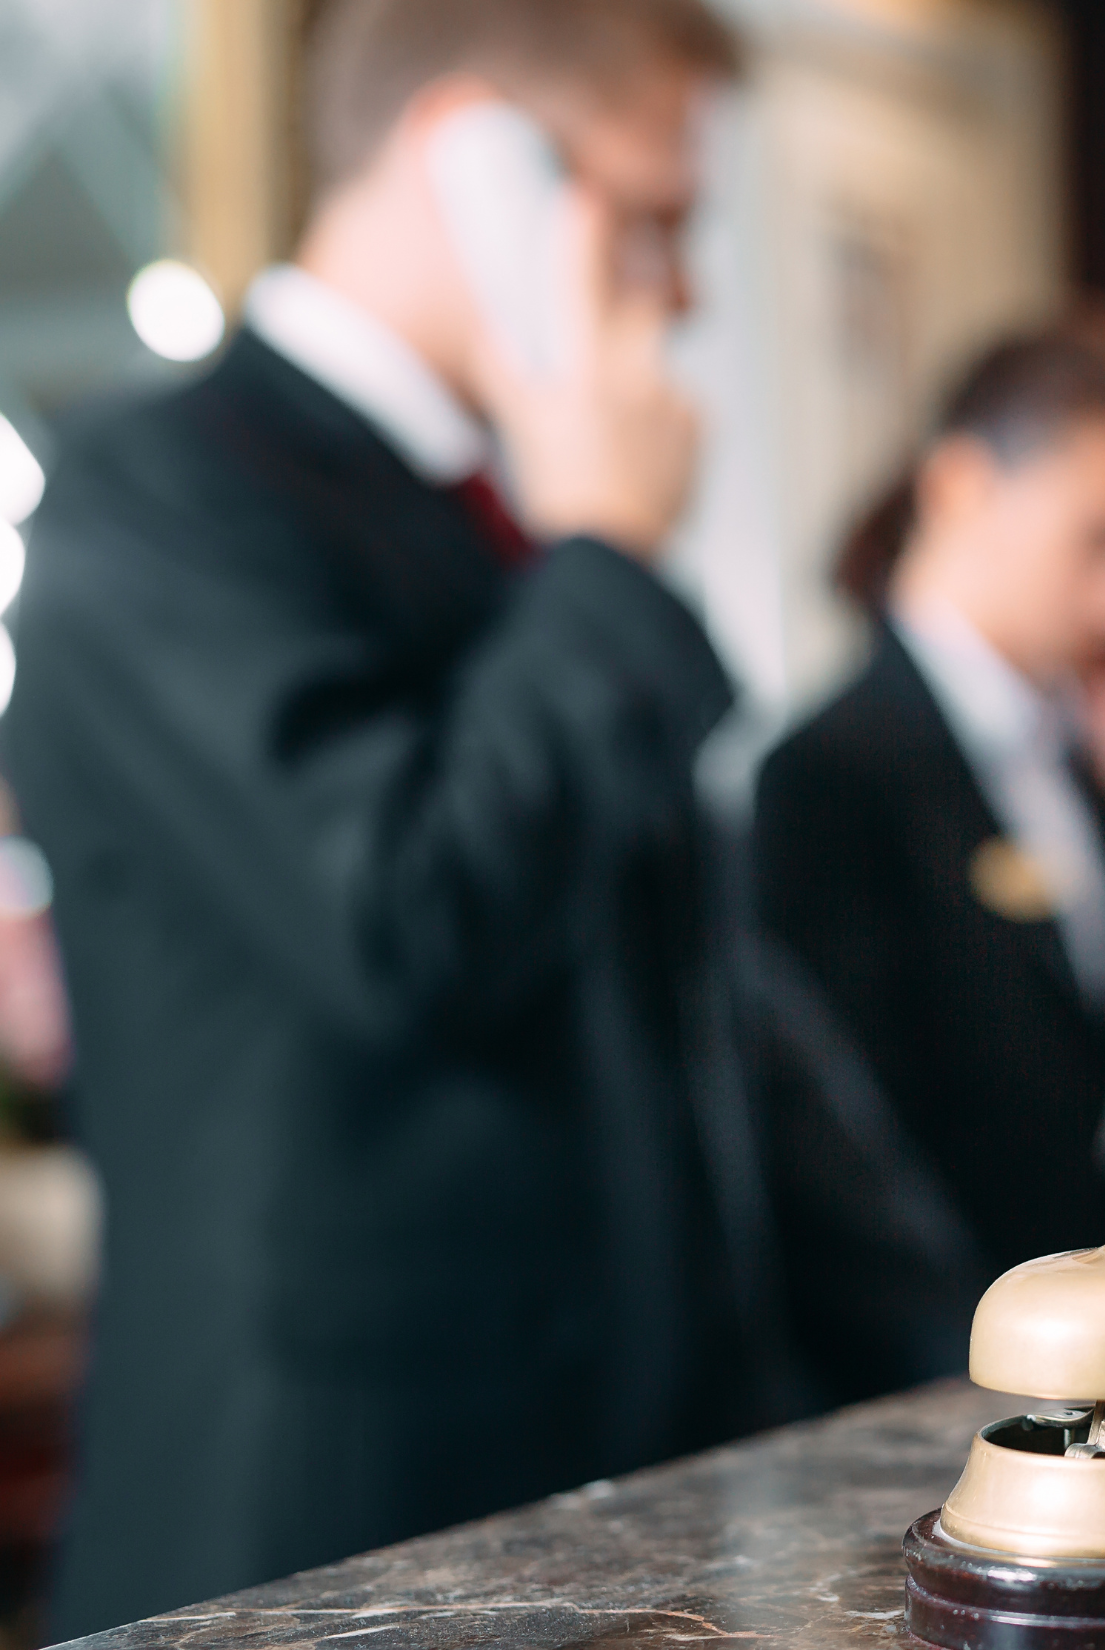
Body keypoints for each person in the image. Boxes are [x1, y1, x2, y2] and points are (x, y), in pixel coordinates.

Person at [3, 0, 769, 1629]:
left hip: (616, 1486)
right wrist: (614, 564)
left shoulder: (524, 516)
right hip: (328, 1525)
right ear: (469, 158)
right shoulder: (158, 497)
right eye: (652, 219)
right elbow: (407, 919)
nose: (684, 289)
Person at [754, 328, 1105, 1272]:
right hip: (974, 1341)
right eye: (1104, 542)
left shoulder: (1095, 749)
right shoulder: (827, 774)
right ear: (962, 489)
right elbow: (849, 1150)